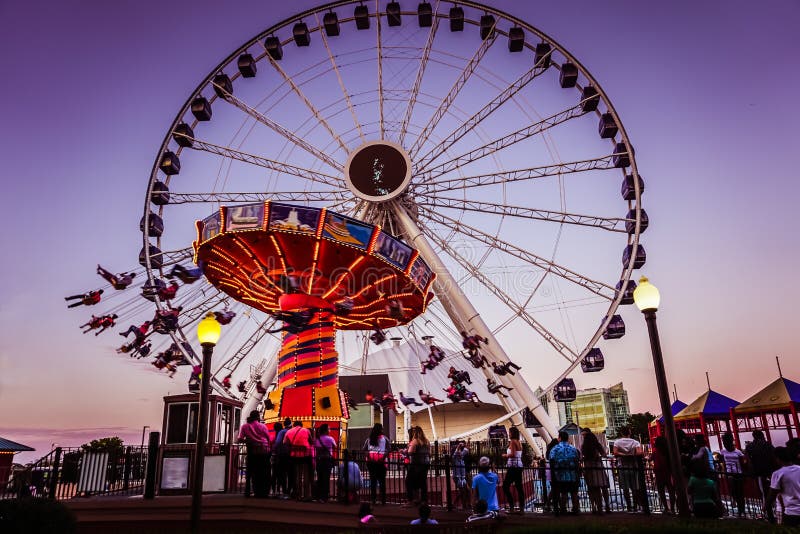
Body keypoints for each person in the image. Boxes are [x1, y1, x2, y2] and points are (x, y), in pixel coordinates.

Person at [237, 410, 272, 498]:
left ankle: (248, 491)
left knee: (251, 472)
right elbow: (268, 438)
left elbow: (240, 439)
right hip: (263, 451)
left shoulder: (245, 426)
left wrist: (248, 440)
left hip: (252, 451)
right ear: (258, 417)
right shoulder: (263, 426)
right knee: (263, 472)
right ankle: (262, 492)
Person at [613, 425, 644, 512]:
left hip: (622, 467)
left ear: (621, 433)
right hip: (633, 466)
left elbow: (615, 452)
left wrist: (623, 455)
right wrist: (631, 455)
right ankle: (635, 506)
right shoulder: (635, 442)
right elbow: (639, 452)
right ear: (630, 432)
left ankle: (629, 507)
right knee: (635, 487)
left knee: (625, 488)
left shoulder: (617, 442)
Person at [766, 446, 800, 526]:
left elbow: (771, 496)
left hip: (791, 512)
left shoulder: (778, 474)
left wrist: (768, 510)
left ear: (777, 459)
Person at [549, 430, 580, 515]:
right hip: (572, 474)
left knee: (564, 493)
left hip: (560, 475)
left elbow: (551, 460)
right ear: (567, 438)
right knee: (574, 492)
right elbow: (577, 460)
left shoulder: (555, 449)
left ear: (559, 438)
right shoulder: (573, 448)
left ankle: (563, 509)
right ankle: (576, 509)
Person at [581, 428, 610, 514]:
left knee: (592, 488)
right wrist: (600, 457)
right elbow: (604, 454)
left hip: (589, 468)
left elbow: (583, 456)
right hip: (598, 467)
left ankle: (596, 507)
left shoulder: (584, 446)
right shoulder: (597, 445)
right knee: (603, 487)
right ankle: (607, 505)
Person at [746, 429, 777, 507]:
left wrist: (752, 471)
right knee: (773, 490)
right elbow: (774, 457)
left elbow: (748, 460)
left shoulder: (750, 447)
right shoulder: (768, 445)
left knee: (763, 492)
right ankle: (774, 508)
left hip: (758, 472)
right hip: (770, 471)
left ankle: (767, 511)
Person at [284, 421, 313, 501]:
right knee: (306, 475)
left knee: (297, 475)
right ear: (301, 425)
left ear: (294, 425)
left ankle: (298, 494)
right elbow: (311, 441)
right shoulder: (306, 430)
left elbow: (285, 443)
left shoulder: (289, 431)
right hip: (305, 455)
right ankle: (306, 495)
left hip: (294, 456)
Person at [720, 431, 746, 517]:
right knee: (734, 492)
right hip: (729, 474)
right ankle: (740, 508)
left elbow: (742, 464)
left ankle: (741, 510)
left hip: (738, 474)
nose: (724, 444)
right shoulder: (723, 452)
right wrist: (724, 472)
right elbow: (723, 462)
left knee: (740, 493)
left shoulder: (738, 452)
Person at [502, 427, 525, 514]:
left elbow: (512, 454)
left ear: (513, 433)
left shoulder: (512, 442)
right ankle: (521, 508)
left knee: (505, 486)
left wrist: (505, 455)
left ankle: (511, 506)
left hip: (513, 466)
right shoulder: (519, 442)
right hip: (519, 465)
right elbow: (518, 454)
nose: (509, 434)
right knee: (519, 487)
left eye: (509, 432)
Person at [406, 426, 431, 506]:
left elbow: (410, 452)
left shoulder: (415, 441)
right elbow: (429, 453)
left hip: (416, 464)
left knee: (408, 481)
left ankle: (410, 501)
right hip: (425, 464)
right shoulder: (427, 441)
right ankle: (423, 500)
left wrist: (405, 451)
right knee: (422, 482)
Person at [364, 423, 388, 505]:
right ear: (381, 429)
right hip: (381, 462)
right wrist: (383, 458)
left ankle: (373, 499)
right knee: (382, 481)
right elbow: (388, 449)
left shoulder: (369, 439)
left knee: (373, 481)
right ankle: (383, 500)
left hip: (371, 462)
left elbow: (365, 450)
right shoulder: (385, 439)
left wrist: (369, 458)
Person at [652, 435, 676, 514]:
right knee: (671, 491)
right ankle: (672, 508)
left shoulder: (655, 451)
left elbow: (651, 458)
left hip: (659, 473)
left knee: (661, 491)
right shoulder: (668, 450)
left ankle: (666, 508)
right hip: (668, 472)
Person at [314, 423, 337, 502]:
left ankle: (318, 495)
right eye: (329, 429)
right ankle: (325, 496)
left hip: (319, 460)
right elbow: (335, 446)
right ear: (326, 430)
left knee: (320, 478)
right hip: (327, 460)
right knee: (326, 478)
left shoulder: (317, 439)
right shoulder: (330, 439)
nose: (330, 430)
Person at [273, 418, 293, 498]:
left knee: (282, 473)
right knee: (290, 473)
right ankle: (290, 490)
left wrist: (275, 450)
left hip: (282, 454)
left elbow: (277, 443)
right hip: (291, 454)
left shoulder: (282, 432)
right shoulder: (292, 431)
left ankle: (284, 490)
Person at [452, 441, 471, 510]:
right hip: (457, 477)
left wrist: (465, 444)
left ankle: (467, 504)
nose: (460, 452)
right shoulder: (454, 459)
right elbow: (455, 454)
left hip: (462, 478)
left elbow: (466, 450)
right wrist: (458, 447)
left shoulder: (461, 458)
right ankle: (464, 506)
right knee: (463, 491)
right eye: (459, 451)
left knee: (467, 490)